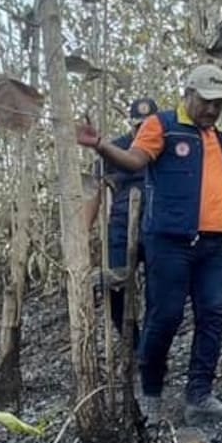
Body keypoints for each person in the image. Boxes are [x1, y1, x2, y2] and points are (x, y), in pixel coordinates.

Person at [77, 64, 222, 425]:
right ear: (189, 95)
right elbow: (134, 159)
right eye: (206, 102)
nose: (212, 110)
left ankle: (200, 395)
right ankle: (150, 392)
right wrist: (101, 145)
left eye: (218, 104)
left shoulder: (219, 138)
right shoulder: (161, 126)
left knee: (213, 314)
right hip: (169, 241)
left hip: (214, 245)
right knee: (164, 316)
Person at [82, 97, 158, 345]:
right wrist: (84, 232)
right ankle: (133, 343)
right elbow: (95, 192)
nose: (142, 132)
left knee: (160, 289)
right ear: (131, 125)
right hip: (121, 229)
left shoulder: (165, 147)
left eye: (148, 126)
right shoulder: (114, 150)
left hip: (158, 228)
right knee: (114, 286)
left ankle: (151, 344)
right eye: (138, 127)